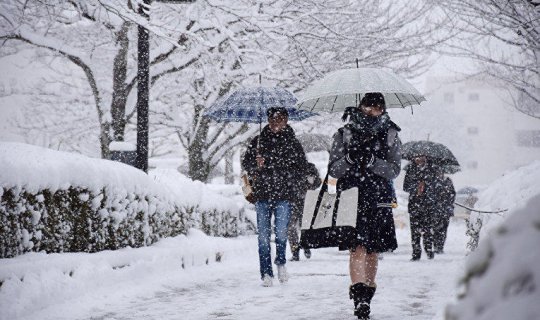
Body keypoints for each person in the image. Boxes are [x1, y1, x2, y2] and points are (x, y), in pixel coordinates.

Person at [327, 92, 401, 319]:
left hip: (378, 199)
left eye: (376, 108)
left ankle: (367, 296)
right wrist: (350, 158)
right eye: (367, 108)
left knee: (373, 250)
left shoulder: (390, 134)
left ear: (383, 109)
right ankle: (359, 298)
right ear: (360, 107)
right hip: (352, 197)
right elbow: (333, 170)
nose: (371, 112)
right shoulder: (344, 134)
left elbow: (394, 170)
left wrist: (372, 162)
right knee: (356, 247)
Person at [241, 106, 308, 287]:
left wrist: (276, 165)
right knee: (263, 237)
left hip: (284, 195)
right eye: (272, 120)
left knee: (280, 234)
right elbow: (246, 163)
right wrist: (256, 164)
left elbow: (302, 167)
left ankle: (281, 263)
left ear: (286, 121)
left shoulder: (292, 143)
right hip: (262, 195)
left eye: (279, 120)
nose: (274, 124)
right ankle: (266, 273)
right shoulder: (258, 141)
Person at [403, 156, 440, 261]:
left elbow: (436, 186)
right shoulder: (410, 169)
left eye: (421, 157)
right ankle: (416, 252)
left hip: (428, 206)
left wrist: (426, 186)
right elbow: (406, 186)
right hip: (414, 205)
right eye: (416, 157)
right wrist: (416, 187)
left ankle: (429, 250)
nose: (418, 159)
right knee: (414, 231)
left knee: (428, 230)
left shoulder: (432, 169)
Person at [288, 162, 321, 261]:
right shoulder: (288, 167)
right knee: (292, 227)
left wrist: (310, 184)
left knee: (301, 226)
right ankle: (295, 251)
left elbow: (318, 181)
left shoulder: (309, 167)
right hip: (293, 201)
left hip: (304, 201)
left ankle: (305, 246)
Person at [432, 173, 456, 254]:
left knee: (444, 229)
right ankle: (436, 246)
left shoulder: (448, 181)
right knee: (436, 228)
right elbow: (431, 194)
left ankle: (440, 246)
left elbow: (453, 194)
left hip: (446, 209)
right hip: (436, 209)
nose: (440, 173)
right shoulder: (433, 181)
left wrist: (447, 195)